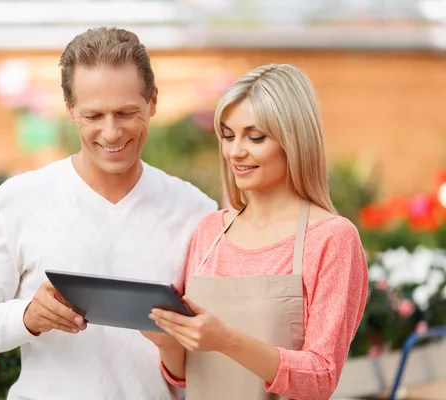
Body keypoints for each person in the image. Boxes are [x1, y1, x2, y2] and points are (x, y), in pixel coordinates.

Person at [0, 27, 217, 400]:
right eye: (94, 115)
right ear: (70, 110)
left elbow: (213, 347)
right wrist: (26, 317)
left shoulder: (196, 210)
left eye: (126, 112)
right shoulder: (18, 200)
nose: (111, 132)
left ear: (153, 101)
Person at [143, 64, 368, 400]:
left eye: (255, 137)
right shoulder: (210, 231)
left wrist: (227, 340)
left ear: (294, 140)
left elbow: (321, 378)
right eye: (229, 136)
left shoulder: (331, 238)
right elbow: (185, 377)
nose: (236, 151)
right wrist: (168, 341)